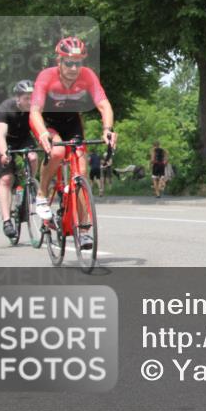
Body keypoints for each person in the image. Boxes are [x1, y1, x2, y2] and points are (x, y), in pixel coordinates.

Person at [29, 37, 117, 251]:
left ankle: (84, 230)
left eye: (78, 62)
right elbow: (34, 111)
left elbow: (104, 105)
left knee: (82, 173)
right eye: (68, 62)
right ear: (59, 60)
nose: (73, 67)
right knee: (57, 152)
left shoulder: (87, 76)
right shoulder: (46, 77)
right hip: (48, 123)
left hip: (72, 123)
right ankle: (41, 194)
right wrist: (41, 133)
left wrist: (107, 130)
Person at [0, 80, 38, 239]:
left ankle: (30, 184)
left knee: (33, 157)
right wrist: (5, 153)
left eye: (32, 98)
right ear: (18, 98)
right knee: (7, 178)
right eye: (27, 98)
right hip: (7, 140)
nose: (30, 101)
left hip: (24, 138)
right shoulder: (5, 108)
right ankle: (7, 221)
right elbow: (0, 135)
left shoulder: (35, 109)